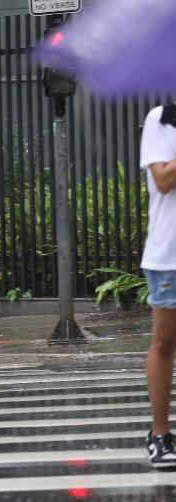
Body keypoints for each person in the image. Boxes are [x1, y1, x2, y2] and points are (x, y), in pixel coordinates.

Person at [139, 104, 176, 469]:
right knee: (165, 342)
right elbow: (164, 181)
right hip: (170, 254)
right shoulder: (161, 120)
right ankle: (160, 434)